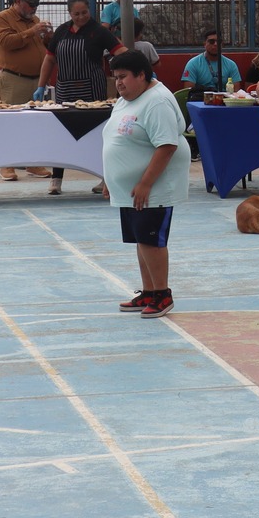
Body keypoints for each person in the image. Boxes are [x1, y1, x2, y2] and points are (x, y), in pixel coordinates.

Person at [103, 50, 188, 318]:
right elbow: (116, 138)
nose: (119, 83)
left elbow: (166, 146)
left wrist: (145, 183)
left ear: (142, 75)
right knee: (141, 239)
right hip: (131, 188)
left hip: (154, 187)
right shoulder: (128, 99)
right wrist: (110, 177)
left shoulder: (157, 101)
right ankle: (149, 291)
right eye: (116, 77)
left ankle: (162, 294)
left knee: (151, 241)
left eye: (124, 77)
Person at [39, 0, 120, 197]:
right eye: (76, 14)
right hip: (65, 90)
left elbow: (120, 51)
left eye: (84, 12)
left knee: (97, 135)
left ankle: (104, 178)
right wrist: (41, 85)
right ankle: (56, 179)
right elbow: (49, 59)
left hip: (92, 91)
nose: (81, 17)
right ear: (69, 13)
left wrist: (135, 67)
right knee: (62, 134)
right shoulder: (62, 31)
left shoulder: (99, 32)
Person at [0, 0, 52, 182]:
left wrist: (48, 37)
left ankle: (33, 163)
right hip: (15, 79)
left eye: (37, 5)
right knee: (11, 122)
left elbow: (43, 46)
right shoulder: (2, 19)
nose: (34, 9)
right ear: (18, 2)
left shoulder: (33, 20)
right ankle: (7, 165)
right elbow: (7, 42)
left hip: (37, 80)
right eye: (31, 4)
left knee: (35, 123)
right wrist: (32, 31)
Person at [182, 30, 234, 95]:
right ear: (205, 44)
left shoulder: (231, 65)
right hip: (201, 101)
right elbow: (188, 92)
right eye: (211, 41)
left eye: (218, 41)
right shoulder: (193, 64)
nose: (215, 44)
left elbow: (236, 92)